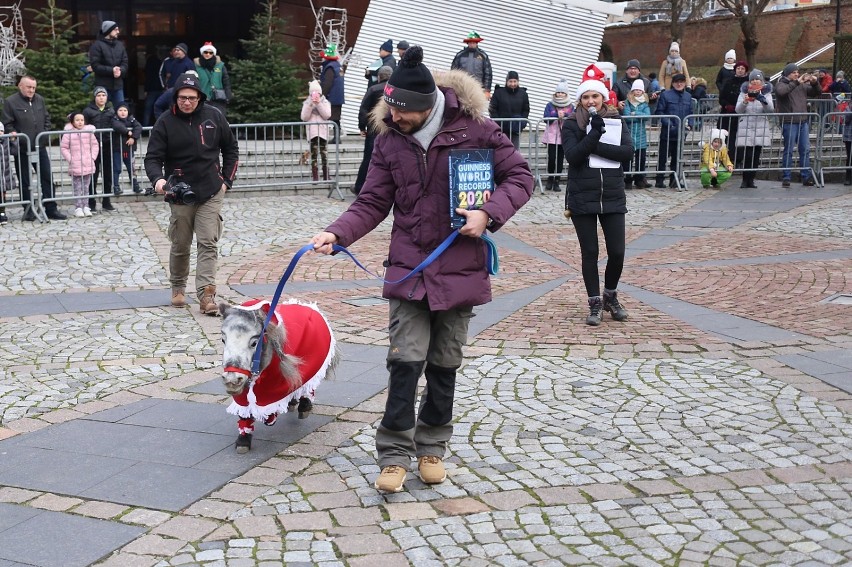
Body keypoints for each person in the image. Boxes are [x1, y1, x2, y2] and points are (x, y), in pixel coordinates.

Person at [310, 46, 533, 493]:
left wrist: (488, 213)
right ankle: (393, 452)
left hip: (461, 265)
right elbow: (373, 200)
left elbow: (522, 178)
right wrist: (338, 233)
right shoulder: (390, 139)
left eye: (402, 110)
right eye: (389, 107)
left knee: (444, 364)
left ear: (428, 105)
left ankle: (432, 445)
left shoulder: (478, 129)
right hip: (409, 266)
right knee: (405, 362)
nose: (393, 116)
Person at [145, 73, 238, 314]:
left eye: (192, 98)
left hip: (210, 190)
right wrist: (158, 180)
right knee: (181, 243)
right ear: (175, 97)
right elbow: (152, 158)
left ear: (200, 98)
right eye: (182, 97)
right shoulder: (165, 122)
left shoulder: (214, 116)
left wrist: (226, 181)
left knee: (208, 242)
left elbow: (231, 149)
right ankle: (178, 287)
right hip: (179, 192)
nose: (187, 102)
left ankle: (207, 295)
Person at [562, 64, 633, 326]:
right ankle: (594, 302)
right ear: (580, 100)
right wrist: (592, 133)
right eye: (586, 96)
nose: (591, 100)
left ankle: (610, 296)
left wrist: (596, 141)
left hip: (612, 194)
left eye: (595, 96)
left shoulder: (615, 120)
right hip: (583, 194)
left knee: (617, 251)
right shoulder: (572, 124)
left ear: (603, 97)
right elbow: (574, 155)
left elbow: (627, 153)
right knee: (589, 251)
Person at [2, 75, 67, 220]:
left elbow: (46, 118)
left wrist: (43, 135)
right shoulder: (11, 102)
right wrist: (14, 134)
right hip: (22, 148)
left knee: (47, 177)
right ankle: (28, 209)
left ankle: (51, 208)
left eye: (33, 87)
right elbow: (7, 123)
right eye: (29, 87)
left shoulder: (40, 99)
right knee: (25, 180)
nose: (32, 90)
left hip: (39, 146)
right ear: (20, 86)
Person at [775, 63, 821, 187]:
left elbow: (817, 92)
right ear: (787, 73)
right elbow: (782, 92)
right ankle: (786, 177)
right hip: (789, 122)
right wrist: (796, 82)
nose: (797, 74)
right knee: (788, 150)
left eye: (797, 72)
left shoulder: (802, 86)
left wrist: (815, 82)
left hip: (803, 122)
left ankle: (806, 176)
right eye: (794, 72)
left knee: (805, 150)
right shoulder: (781, 84)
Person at [353, 65, 393, 195]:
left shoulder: (373, 89)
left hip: (374, 130)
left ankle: (360, 187)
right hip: (391, 130)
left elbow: (364, 109)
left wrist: (362, 126)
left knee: (368, 158)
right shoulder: (395, 90)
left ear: (379, 76)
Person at [735, 69, 773, 189]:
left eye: (757, 79)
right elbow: (738, 110)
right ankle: (745, 179)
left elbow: (770, 110)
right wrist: (745, 102)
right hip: (746, 127)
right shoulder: (743, 92)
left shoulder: (766, 93)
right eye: (752, 79)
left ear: (761, 81)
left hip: (759, 127)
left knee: (756, 155)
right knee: (748, 155)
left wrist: (762, 100)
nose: (755, 81)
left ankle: (751, 179)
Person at [654, 73, 692, 188]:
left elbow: (691, 112)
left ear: (685, 83)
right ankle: (659, 180)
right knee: (663, 157)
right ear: (673, 83)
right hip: (668, 132)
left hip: (681, 133)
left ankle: (674, 180)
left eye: (681, 81)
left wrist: (690, 124)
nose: (679, 84)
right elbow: (659, 112)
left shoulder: (688, 96)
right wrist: (669, 124)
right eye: (677, 82)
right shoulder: (666, 95)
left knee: (677, 158)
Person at [83, 86, 118, 211]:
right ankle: (91, 201)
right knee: (93, 173)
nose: (101, 98)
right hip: (93, 146)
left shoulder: (111, 110)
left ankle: (106, 200)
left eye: (103, 95)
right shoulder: (88, 111)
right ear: (95, 97)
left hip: (108, 145)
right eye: (99, 95)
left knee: (108, 174)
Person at [60, 111, 99, 217]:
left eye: (82, 120)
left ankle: (86, 206)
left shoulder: (88, 132)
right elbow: (64, 147)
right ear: (72, 122)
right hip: (76, 164)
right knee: (77, 188)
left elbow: (95, 145)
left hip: (88, 162)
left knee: (86, 187)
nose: (80, 122)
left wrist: (92, 157)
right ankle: (78, 207)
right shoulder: (68, 133)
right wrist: (70, 159)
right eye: (77, 120)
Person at [541, 79, 573, 192]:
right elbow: (546, 118)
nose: (560, 94)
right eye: (558, 92)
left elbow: (572, 117)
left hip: (563, 136)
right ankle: (550, 178)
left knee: (560, 159)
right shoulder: (550, 105)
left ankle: (557, 180)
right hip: (551, 135)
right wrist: (555, 115)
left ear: (566, 94)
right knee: (551, 158)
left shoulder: (570, 105)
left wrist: (565, 114)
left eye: (562, 92)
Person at [88, 20, 128, 106]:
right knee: (102, 111)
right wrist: (111, 70)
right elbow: (95, 65)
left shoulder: (120, 45)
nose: (118, 31)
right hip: (103, 86)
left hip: (118, 85)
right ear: (108, 30)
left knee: (121, 111)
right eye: (115, 29)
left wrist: (120, 70)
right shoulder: (97, 46)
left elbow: (125, 62)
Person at [621, 79, 651, 189]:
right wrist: (638, 116)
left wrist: (636, 113)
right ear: (632, 91)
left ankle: (639, 179)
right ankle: (627, 180)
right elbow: (627, 116)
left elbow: (647, 116)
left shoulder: (645, 103)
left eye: (640, 90)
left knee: (641, 160)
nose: (637, 91)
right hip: (630, 135)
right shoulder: (628, 102)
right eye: (636, 89)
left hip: (641, 136)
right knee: (628, 159)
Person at [718, 60, 749, 167]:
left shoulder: (748, 83)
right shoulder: (728, 81)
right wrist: (727, 105)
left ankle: (738, 159)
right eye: (738, 68)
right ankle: (724, 158)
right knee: (726, 137)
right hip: (727, 113)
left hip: (741, 114)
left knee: (739, 138)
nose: (740, 70)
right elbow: (721, 98)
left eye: (742, 69)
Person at [300, 80, 332, 182]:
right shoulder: (307, 103)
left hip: (323, 132)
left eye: (317, 93)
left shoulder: (325, 102)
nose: (315, 95)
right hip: (312, 132)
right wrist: (310, 105)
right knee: (314, 154)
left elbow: (327, 115)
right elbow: (304, 117)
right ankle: (315, 176)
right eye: (313, 93)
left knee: (324, 154)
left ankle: (326, 174)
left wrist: (318, 104)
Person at [488, 71, 529, 150]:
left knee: (514, 151)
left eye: (515, 81)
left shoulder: (523, 94)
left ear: (518, 82)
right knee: (502, 151)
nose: (513, 84)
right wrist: (498, 123)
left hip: (515, 129)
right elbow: (492, 109)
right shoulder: (498, 93)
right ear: (506, 81)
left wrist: (522, 123)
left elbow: (526, 110)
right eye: (510, 81)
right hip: (501, 129)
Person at [111, 101, 143, 194]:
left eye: (125, 110)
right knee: (117, 169)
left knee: (132, 169)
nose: (123, 112)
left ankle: (135, 185)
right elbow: (117, 126)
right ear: (117, 111)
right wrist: (127, 132)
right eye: (120, 110)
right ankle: (116, 186)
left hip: (129, 150)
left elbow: (138, 127)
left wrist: (133, 137)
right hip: (117, 149)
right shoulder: (114, 119)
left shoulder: (131, 119)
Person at [450, 31, 492, 99]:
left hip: (478, 88)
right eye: (470, 42)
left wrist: (487, 90)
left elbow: (488, 74)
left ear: (477, 43)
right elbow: (453, 72)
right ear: (467, 43)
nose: (472, 44)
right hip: (462, 87)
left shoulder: (483, 56)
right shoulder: (460, 55)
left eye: (474, 42)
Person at [194, 42, 232, 115]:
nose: (208, 54)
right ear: (202, 53)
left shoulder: (221, 66)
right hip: (202, 99)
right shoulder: (196, 67)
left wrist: (228, 96)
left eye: (211, 53)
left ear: (213, 54)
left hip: (218, 99)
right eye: (205, 52)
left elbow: (226, 82)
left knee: (219, 119)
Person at [320, 44, 345, 143]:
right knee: (336, 117)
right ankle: (336, 137)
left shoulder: (330, 67)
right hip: (338, 96)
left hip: (332, 97)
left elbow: (328, 83)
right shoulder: (338, 66)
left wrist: (322, 95)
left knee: (326, 116)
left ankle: (325, 137)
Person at [143, 45, 164, 126]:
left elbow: (148, 76)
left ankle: (145, 128)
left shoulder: (149, 61)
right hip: (160, 88)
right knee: (159, 109)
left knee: (148, 109)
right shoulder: (160, 61)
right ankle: (160, 128)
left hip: (151, 89)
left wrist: (146, 89)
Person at [0, 122, 16, 224]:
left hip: (4, 171)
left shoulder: (5, 140)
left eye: (1, 131)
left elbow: (14, 151)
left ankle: (2, 213)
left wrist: (13, 140)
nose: (0, 133)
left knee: (3, 193)